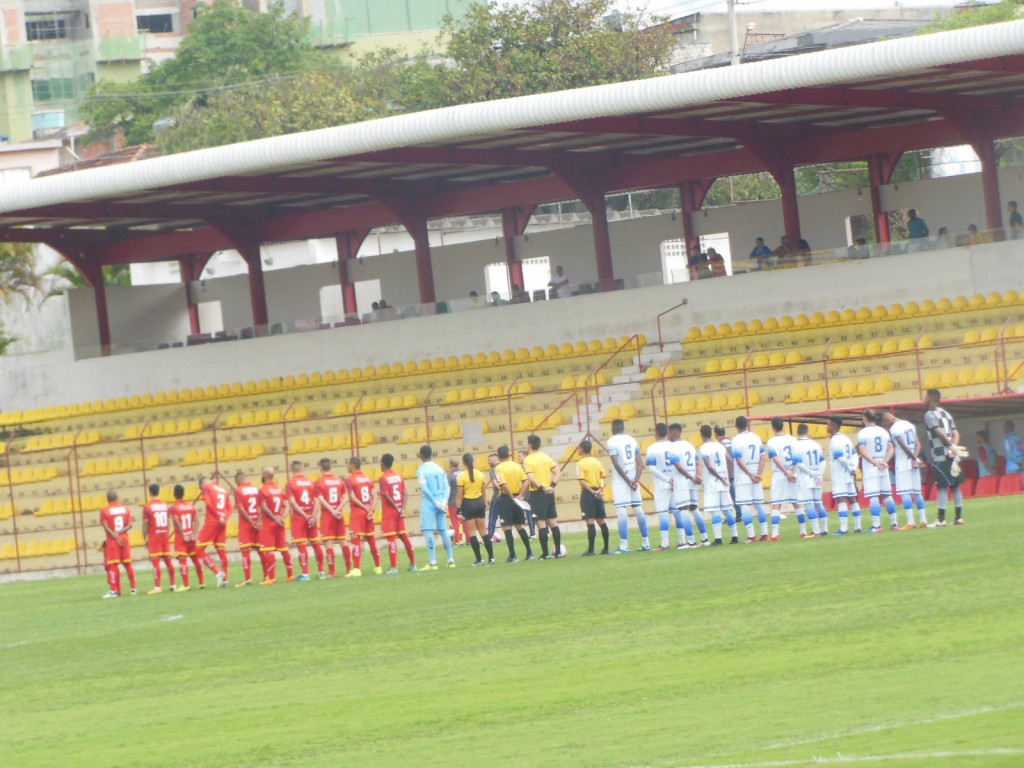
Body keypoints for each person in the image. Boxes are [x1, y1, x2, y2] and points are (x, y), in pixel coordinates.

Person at [606, 418, 651, 553]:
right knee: (638, 508)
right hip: (633, 478)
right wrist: (635, 480)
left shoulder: (612, 442)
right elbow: (640, 463)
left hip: (621, 480)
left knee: (621, 509)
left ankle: (624, 545)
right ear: (623, 428)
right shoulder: (632, 440)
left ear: (613, 429)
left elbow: (615, 463)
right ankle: (646, 543)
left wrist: (627, 480)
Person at [924, 389, 964, 526]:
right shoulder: (946, 414)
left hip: (940, 455)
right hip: (952, 454)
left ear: (930, 398)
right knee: (955, 485)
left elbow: (939, 433)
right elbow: (955, 433)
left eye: (925, 396)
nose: (924, 399)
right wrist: (954, 447)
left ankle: (941, 520)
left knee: (941, 486)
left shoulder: (929, 414)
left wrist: (950, 447)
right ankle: (958, 518)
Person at [645, 423, 687, 551]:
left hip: (662, 484)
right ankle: (682, 541)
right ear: (667, 433)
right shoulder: (672, 446)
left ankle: (664, 543)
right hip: (675, 482)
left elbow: (652, 468)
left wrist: (666, 479)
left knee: (663, 513)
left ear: (656, 433)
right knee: (676, 511)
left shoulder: (652, 448)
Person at [883, 412, 928, 529]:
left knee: (905, 492)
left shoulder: (894, 428)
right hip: (914, 463)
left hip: (903, 464)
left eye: (886, 424)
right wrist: (915, 458)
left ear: (888, 420)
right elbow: (918, 444)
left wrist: (913, 458)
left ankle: (911, 522)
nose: (887, 427)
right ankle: (923, 520)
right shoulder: (910, 425)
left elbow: (902, 445)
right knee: (917, 492)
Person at [857, 409, 899, 533]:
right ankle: (894, 523)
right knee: (887, 495)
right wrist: (885, 461)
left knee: (874, 495)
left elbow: (863, 451)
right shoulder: (883, 431)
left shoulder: (863, 433)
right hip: (883, 466)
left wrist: (875, 462)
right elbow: (891, 448)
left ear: (865, 418)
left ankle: (876, 526)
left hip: (871, 467)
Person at [668, 423, 708, 547]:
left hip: (682, 481)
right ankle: (705, 538)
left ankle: (691, 541)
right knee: (694, 509)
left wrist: (690, 476)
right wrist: (698, 476)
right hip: (692, 481)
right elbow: (698, 463)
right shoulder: (689, 445)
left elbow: (677, 465)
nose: (668, 435)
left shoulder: (673, 447)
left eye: (669, 432)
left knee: (683, 510)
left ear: (674, 433)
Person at [523, 434, 563, 559]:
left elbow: (530, 478)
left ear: (529, 445)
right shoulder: (546, 457)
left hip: (538, 494)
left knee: (541, 524)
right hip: (549, 494)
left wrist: (542, 488)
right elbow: (558, 472)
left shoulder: (528, 460)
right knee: (553, 522)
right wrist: (551, 486)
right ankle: (557, 552)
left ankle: (545, 553)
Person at [171, 483, 217, 591]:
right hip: (191, 537)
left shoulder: (174, 508)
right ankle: (202, 582)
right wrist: (194, 533)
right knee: (196, 560)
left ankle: (186, 585)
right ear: (183, 494)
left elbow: (177, 522)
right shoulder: (191, 506)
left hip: (181, 538)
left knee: (183, 560)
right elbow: (197, 520)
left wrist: (183, 534)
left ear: (174, 494)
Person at [222, 470, 264, 586]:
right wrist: (258, 521)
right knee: (261, 551)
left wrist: (251, 522)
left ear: (239, 480)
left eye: (236, 482)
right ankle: (267, 576)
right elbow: (262, 506)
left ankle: (248, 579)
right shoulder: (256, 489)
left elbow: (240, 508)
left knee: (245, 551)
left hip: (246, 525)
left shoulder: (239, 491)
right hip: (257, 523)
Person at [493, 444, 534, 562]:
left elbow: (503, 484)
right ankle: (530, 553)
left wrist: (511, 496)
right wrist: (520, 495)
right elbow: (526, 481)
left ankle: (513, 555)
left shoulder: (499, 468)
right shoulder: (517, 466)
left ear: (499, 456)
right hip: (518, 498)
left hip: (507, 498)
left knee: (507, 527)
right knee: (520, 526)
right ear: (509, 455)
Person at [731, 416, 769, 542]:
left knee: (745, 506)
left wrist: (750, 474)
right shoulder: (755, 438)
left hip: (743, 478)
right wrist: (757, 474)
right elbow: (763, 457)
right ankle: (764, 533)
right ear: (747, 425)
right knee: (758, 505)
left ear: (736, 426)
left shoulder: (736, 440)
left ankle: (751, 536)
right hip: (756, 477)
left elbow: (738, 459)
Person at [416, 445, 455, 569]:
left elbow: (424, 488)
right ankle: (451, 560)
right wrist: (443, 500)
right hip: (441, 500)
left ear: (421, 456)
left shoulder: (421, 469)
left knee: (428, 531)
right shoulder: (439, 469)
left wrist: (433, 501)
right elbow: (447, 487)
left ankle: (433, 562)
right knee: (443, 530)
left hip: (429, 502)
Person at [285, 460, 324, 582]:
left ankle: (305, 573)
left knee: (301, 546)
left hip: (299, 519)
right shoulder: (311, 483)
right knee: (316, 544)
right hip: (311, 517)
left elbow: (293, 503)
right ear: (302, 469)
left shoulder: (290, 484)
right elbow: (317, 501)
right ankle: (321, 572)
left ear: (292, 470)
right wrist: (312, 516)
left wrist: (305, 516)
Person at [699, 425, 738, 545]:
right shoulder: (719, 446)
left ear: (701, 435)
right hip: (724, 481)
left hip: (713, 483)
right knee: (727, 510)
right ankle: (735, 537)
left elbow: (709, 466)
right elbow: (730, 460)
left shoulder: (704, 448)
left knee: (715, 511)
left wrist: (720, 478)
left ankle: (718, 539)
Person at [379, 453, 417, 574]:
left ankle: (394, 567)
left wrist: (396, 508)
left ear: (383, 463)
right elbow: (405, 493)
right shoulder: (399, 476)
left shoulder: (383, 478)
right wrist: (401, 509)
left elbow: (387, 496)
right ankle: (413, 564)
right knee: (404, 537)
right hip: (399, 512)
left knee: (391, 540)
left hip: (390, 513)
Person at [314, 458, 351, 578]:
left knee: (328, 543)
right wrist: (338, 509)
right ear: (330, 467)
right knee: (343, 542)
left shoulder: (319, 482)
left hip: (328, 515)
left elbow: (321, 500)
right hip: (339, 515)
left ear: (321, 468)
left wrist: (332, 511)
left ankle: (332, 572)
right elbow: (346, 498)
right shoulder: (339, 480)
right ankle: (349, 569)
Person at [766, 417, 802, 540]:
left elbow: (775, 459)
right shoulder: (792, 439)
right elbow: (798, 457)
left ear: (773, 427)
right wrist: (792, 472)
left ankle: (775, 534)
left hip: (779, 474)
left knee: (776, 503)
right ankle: (803, 531)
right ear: (783, 426)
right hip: (793, 473)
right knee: (796, 503)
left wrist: (786, 473)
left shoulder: (771, 442)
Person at [455, 452, 493, 566]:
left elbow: (459, 496)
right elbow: (483, 492)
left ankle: (479, 559)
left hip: (468, 504)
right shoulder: (480, 474)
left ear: (464, 463)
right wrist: (484, 504)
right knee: (483, 532)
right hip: (479, 503)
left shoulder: (461, 476)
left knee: (472, 533)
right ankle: (491, 558)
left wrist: (458, 510)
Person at [346, 456, 382, 576]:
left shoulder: (350, 479)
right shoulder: (367, 478)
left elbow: (353, 497)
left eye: (348, 464)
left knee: (355, 539)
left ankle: (356, 569)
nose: (347, 466)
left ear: (352, 465)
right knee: (371, 539)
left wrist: (363, 507)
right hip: (368, 513)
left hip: (358, 512)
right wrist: (371, 509)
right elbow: (376, 496)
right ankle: (378, 567)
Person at [826, 416, 862, 535]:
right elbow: (854, 455)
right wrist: (853, 468)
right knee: (852, 499)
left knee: (841, 499)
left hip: (840, 474)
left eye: (829, 424)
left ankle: (843, 528)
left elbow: (840, 458)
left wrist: (848, 468)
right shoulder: (846, 438)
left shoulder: (835, 440)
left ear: (834, 425)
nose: (827, 426)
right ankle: (858, 526)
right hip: (848, 474)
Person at [257, 468, 294, 584]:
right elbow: (287, 506)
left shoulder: (263, 490)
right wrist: (282, 518)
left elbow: (264, 507)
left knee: (269, 551)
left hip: (269, 523)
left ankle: (271, 578)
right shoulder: (279, 490)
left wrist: (274, 518)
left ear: (264, 475)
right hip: (280, 523)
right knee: (284, 549)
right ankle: (290, 575)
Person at [100, 488, 137, 598]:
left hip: (112, 540)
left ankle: (114, 591)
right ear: (117, 497)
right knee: (128, 564)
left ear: (107, 499)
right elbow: (130, 525)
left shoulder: (105, 511)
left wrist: (114, 534)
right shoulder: (125, 509)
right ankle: (134, 588)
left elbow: (105, 526)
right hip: (124, 538)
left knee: (112, 565)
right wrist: (120, 532)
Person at [576, 440, 610, 555]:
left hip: (588, 494)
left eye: (578, 448)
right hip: (598, 493)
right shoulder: (597, 462)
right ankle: (606, 548)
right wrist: (600, 490)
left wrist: (592, 491)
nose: (577, 450)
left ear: (581, 449)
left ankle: (591, 550)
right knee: (601, 521)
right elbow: (602, 478)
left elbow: (582, 481)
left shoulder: (580, 464)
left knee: (590, 521)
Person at [794, 423, 827, 536]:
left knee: (809, 504)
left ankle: (816, 530)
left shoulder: (796, 446)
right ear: (808, 432)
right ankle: (824, 529)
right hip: (817, 477)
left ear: (798, 432)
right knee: (818, 503)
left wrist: (812, 473)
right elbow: (823, 461)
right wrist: (819, 474)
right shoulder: (815, 444)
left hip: (805, 478)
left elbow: (799, 464)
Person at [197, 475, 231, 587]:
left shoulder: (207, 487)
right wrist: (224, 517)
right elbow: (230, 508)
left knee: (198, 548)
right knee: (221, 550)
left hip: (213, 521)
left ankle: (218, 573)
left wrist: (217, 516)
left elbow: (208, 503)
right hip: (222, 522)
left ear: (203, 484)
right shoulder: (223, 490)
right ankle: (225, 580)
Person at [141, 484, 175, 594]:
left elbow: (145, 524)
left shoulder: (148, 507)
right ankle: (173, 584)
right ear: (158, 491)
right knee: (168, 561)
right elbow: (168, 521)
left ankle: (157, 587)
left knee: (156, 562)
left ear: (150, 492)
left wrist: (144, 537)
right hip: (164, 535)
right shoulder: (165, 506)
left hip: (154, 536)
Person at [446, 458, 465, 546]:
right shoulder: (463, 473)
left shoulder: (449, 475)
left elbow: (447, 488)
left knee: (456, 522)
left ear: (450, 465)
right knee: (465, 521)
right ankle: (469, 539)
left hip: (453, 501)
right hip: (464, 501)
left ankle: (457, 540)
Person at [484, 453, 502, 540]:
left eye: (489, 460)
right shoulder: (503, 467)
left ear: (495, 460)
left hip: (497, 497)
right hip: (507, 496)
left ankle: (490, 536)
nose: (488, 462)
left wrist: (501, 489)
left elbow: (495, 483)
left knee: (492, 517)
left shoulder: (493, 470)